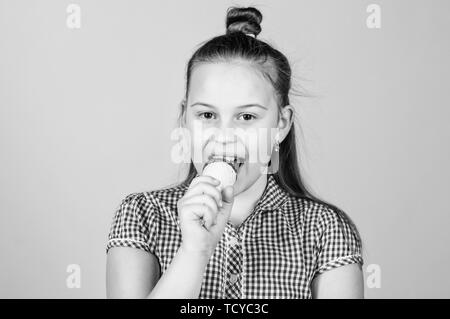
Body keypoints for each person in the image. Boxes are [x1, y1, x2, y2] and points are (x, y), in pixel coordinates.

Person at [106, 6, 364, 299]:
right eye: (206, 115)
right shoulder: (142, 215)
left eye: (246, 117)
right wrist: (195, 251)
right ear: (184, 118)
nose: (224, 138)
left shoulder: (325, 230)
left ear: (281, 124)